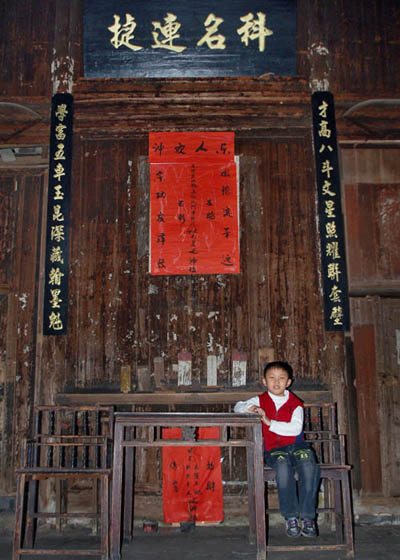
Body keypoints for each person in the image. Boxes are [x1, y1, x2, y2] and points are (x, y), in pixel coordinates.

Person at [234, 361, 320, 538]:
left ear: (289, 382)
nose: (276, 382)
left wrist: (269, 422)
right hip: (274, 449)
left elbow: (295, 429)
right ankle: (290, 517)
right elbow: (238, 407)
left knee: (309, 466)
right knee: (282, 468)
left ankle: (308, 517)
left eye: (282, 378)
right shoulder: (260, 400)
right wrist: (250, 408)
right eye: (271, 378)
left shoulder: (296, 404)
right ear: (264, 381)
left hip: (297, 446)